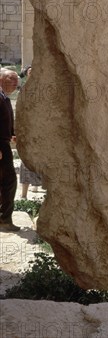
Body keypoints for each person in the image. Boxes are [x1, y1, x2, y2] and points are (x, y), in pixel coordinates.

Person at [17, 66, 42, 199]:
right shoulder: (24, 90)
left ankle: (37, 185)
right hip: (28, 128)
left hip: (41, 128)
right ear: (26, 74)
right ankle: (24, 194)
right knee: (25, 160)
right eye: (30, 71)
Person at [0, 68, 20, 231]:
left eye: (16, 80)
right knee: (10, 181)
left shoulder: (4, 98)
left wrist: (12, 133)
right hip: (0, 146)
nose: (15, 83)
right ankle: (4, 219)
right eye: (11, 79)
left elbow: (5, 119)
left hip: (4, 143)